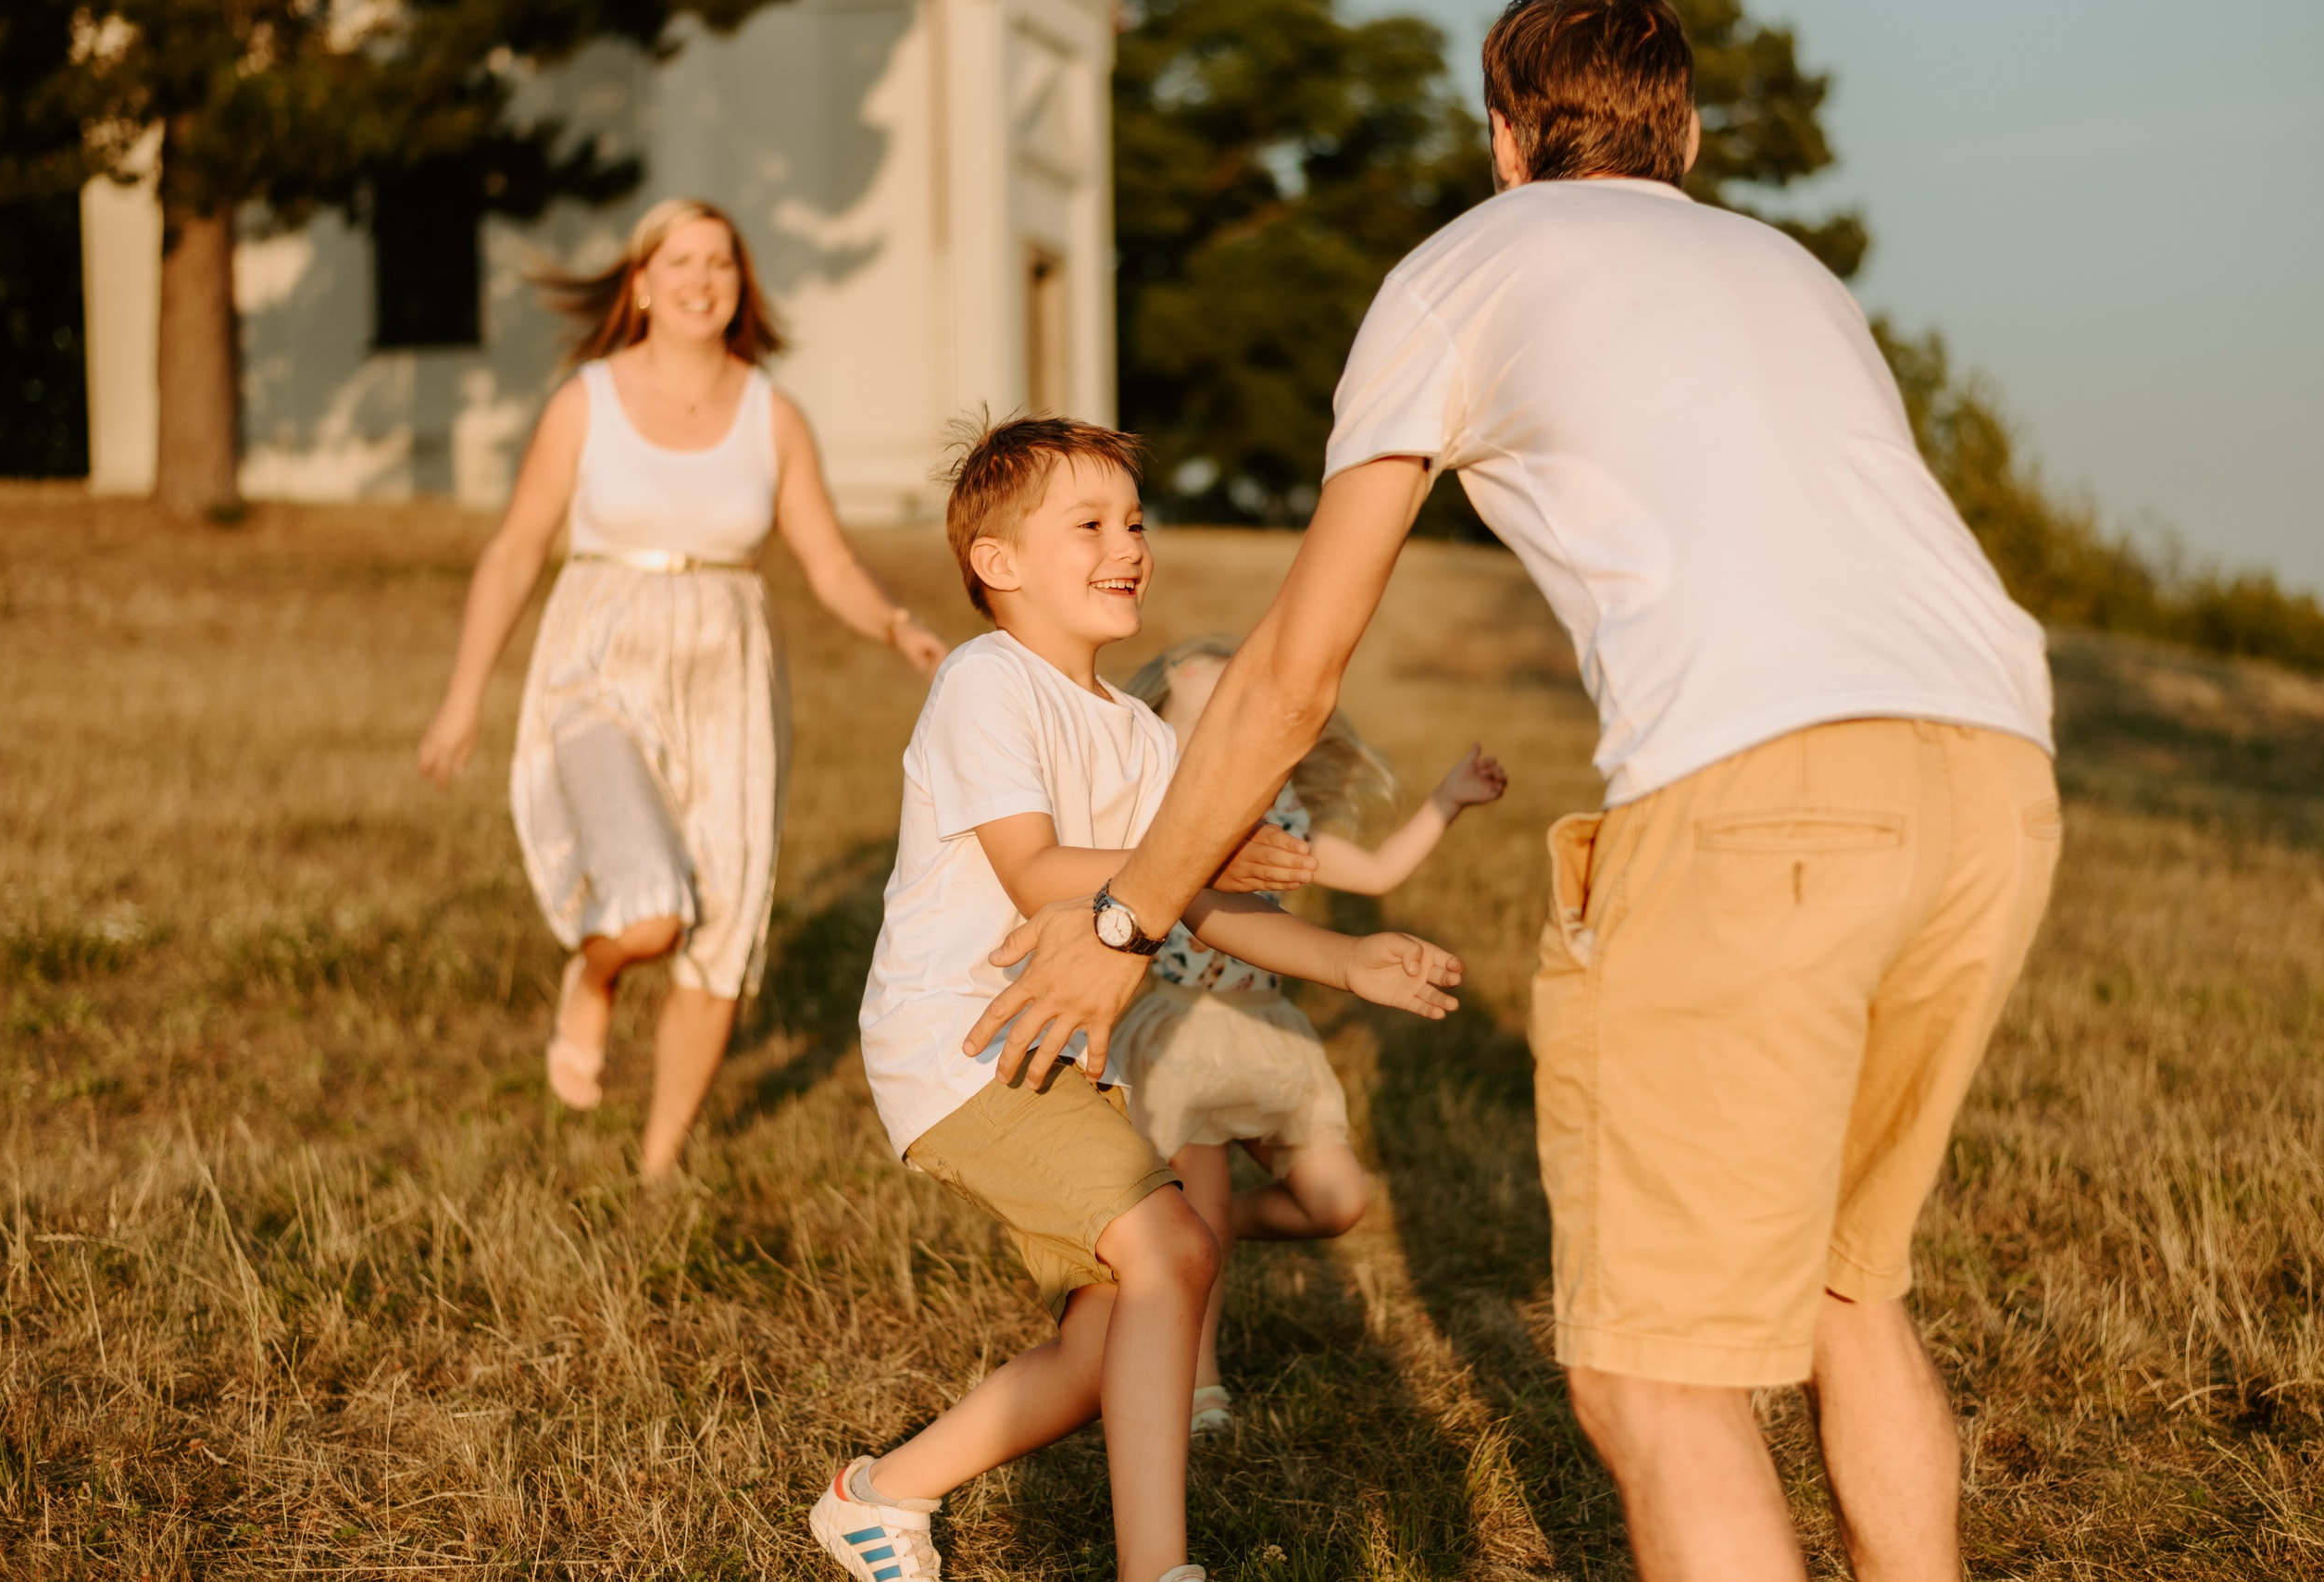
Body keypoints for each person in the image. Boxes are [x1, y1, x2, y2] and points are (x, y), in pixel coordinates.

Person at [962, 3, 2064, 1576]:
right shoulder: (1791, 275)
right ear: (1680, 137)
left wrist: (1130, 911)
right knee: (1847, 1285)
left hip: (1765, 792)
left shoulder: (1463, 269)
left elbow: (1289, 673)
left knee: (1655, 1373)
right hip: (1996, 780)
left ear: (1502, 134)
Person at [809, 416, 1465, 1582]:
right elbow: (1039, 869)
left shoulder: (1142, 737)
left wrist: (1348, 957)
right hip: (962, 1044)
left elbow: (1197, 903)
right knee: (1171, 1246)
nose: (1129, 546)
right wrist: (1186, 861)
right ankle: (1157, 1569)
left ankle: (880, 1493)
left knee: (1116, 1323)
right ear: (996, 564)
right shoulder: (986, 684)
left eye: (1136, 522)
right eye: (1091, 524)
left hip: (1060, 1054)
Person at [416, 197, 949, 1181]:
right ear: (640, 283)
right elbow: (515, 550)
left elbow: (824, 558)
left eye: (721, 264)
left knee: (725, 923)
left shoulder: (770, 413)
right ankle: (597, 966)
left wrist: (892, 621)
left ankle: (658, 1168)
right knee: (650, 909)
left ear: (738, 287)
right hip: (599, 662)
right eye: (681, 261)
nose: (702, 279)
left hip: (728, 675)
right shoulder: (587, 401)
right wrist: (463, 696)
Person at [1114, 636, 1508, 1434]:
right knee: (1207, 1208)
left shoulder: (1286, 824)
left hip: (1270, 1037)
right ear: (1161, 745)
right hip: (1187, 1039)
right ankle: (1197, 1384)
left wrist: (1449, 798)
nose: (1227, 749)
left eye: (1244, 728)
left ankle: (1197, 1226)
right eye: (1201, 730)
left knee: (1338, 1200)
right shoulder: (1163, 826)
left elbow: (1379, 872)